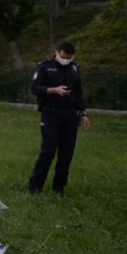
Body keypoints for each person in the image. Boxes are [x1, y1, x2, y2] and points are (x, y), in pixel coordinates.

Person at [27, 41, 90, 194]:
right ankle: (35, 186)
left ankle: (59, 187)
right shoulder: (45, 67)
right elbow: (35, 88)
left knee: (66, 154)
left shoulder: (74, 69)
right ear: (56, 52)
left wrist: (84, 113)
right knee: (48, 151)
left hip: (69, 115)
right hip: (51, 113)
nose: (66, 60)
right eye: (63, 57)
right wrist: (53, 90)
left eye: (69, 57)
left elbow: (79, 93)